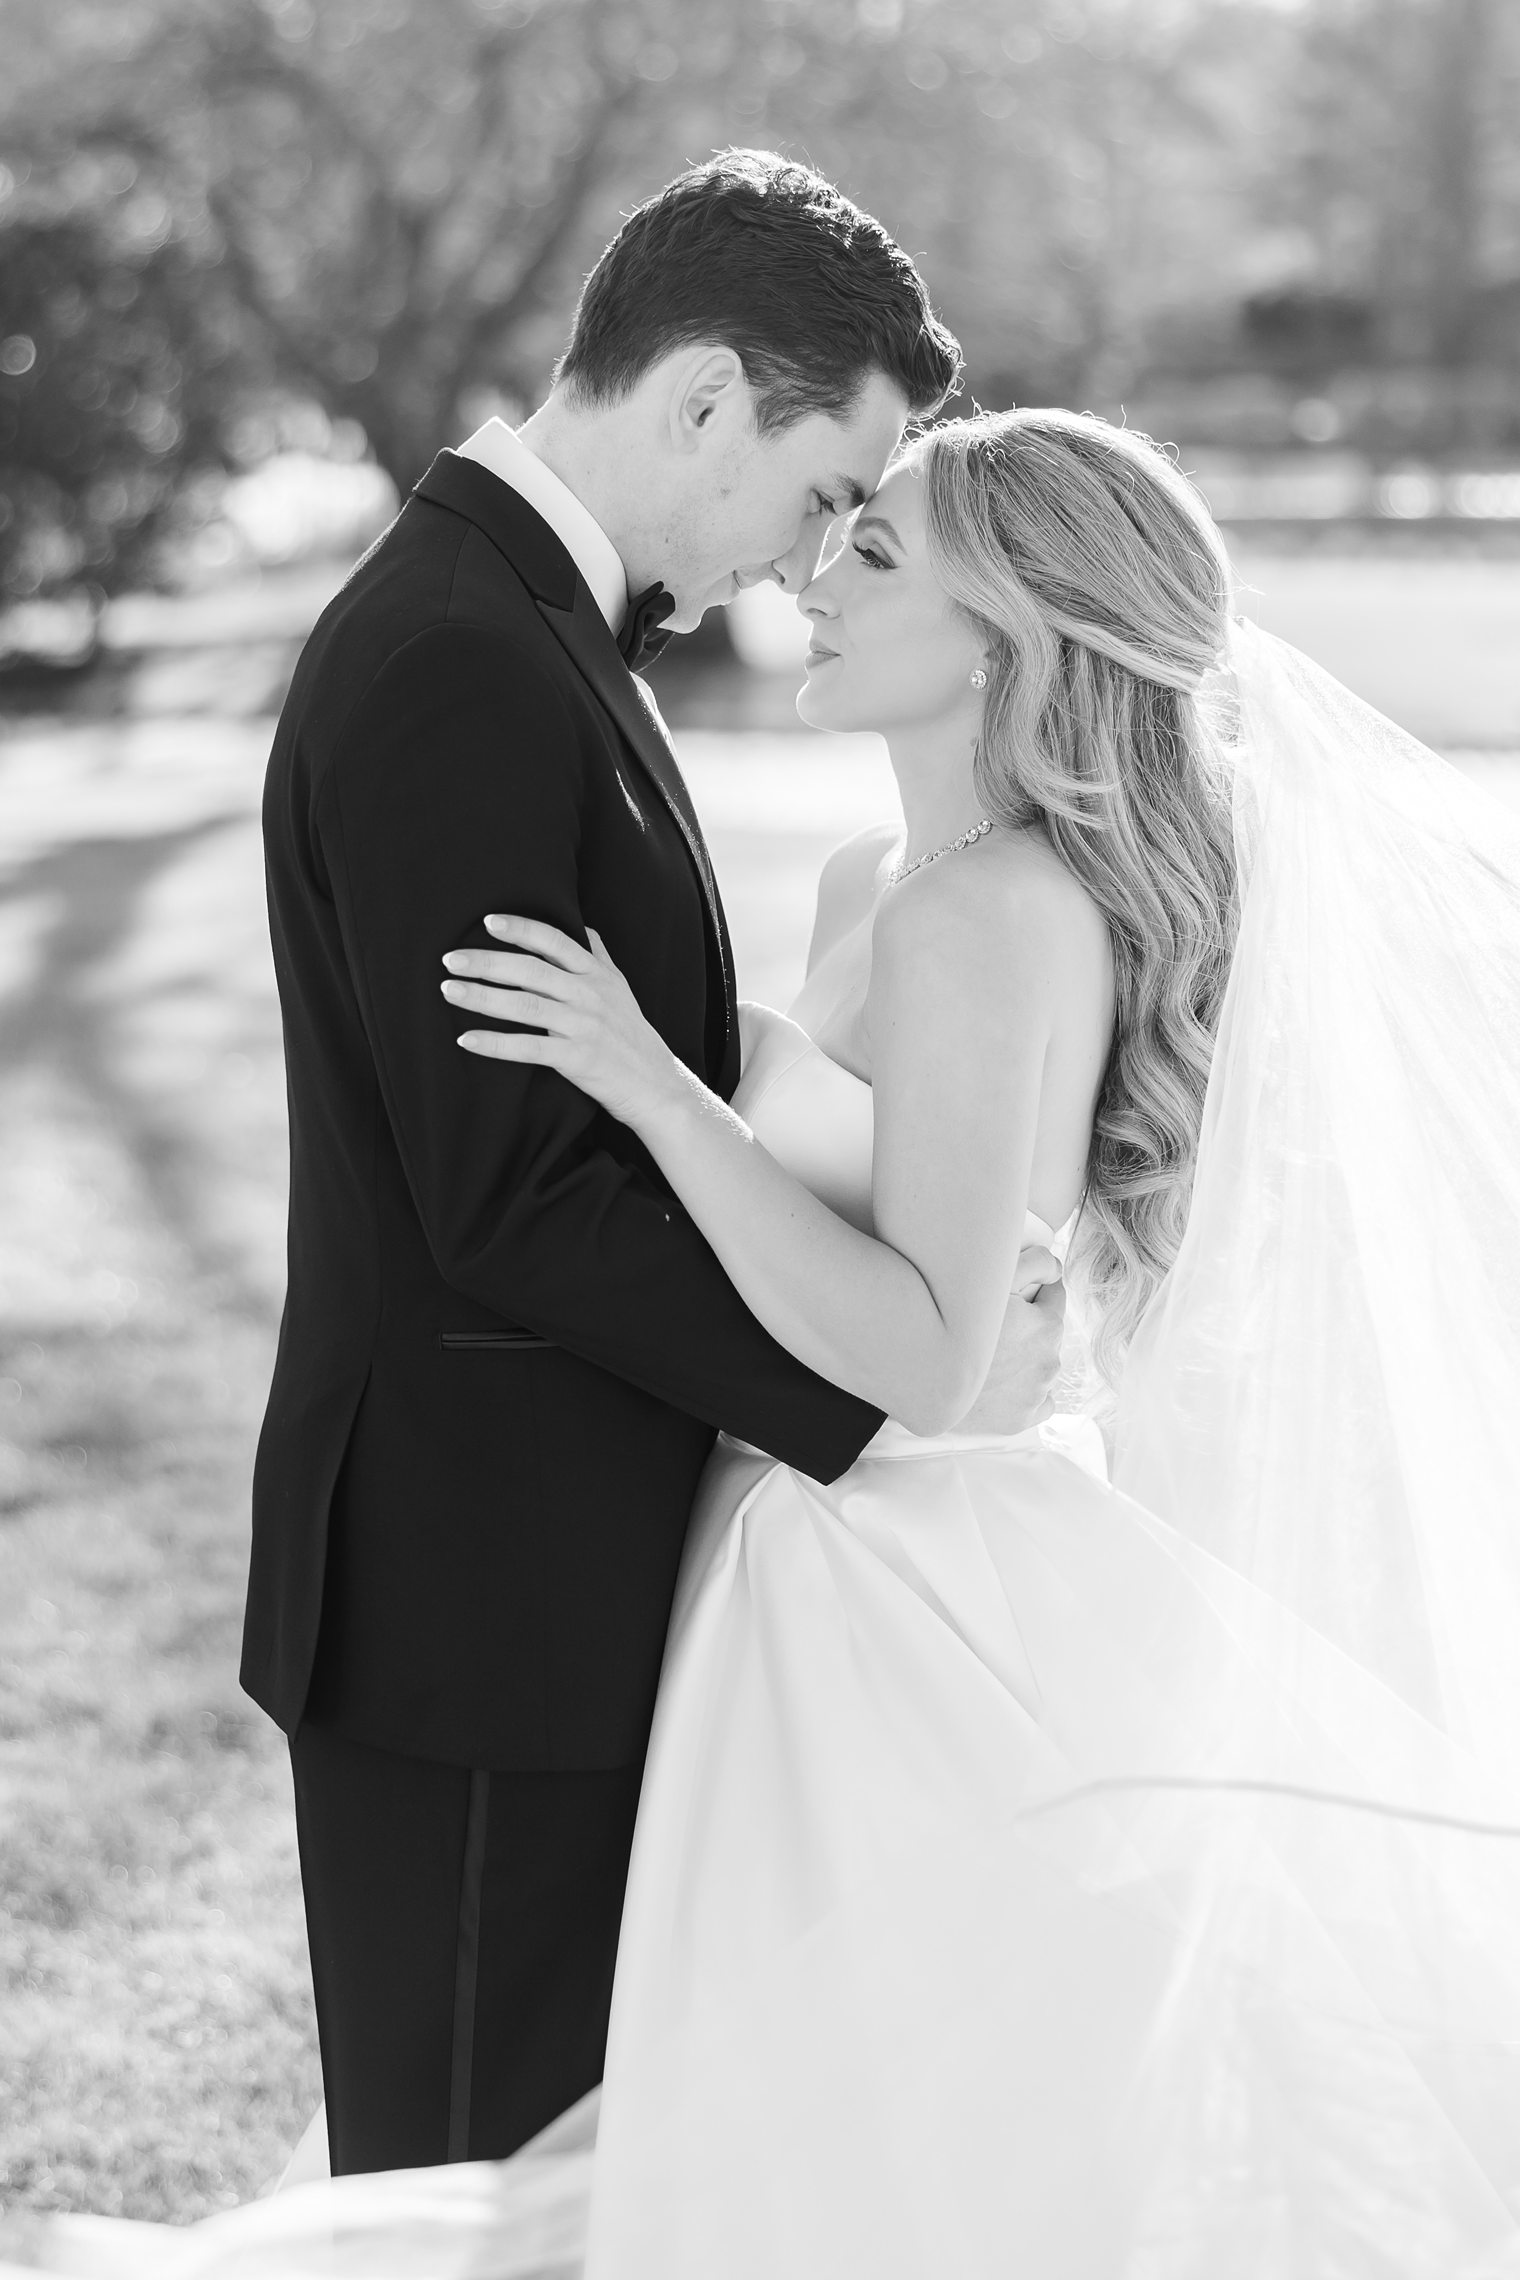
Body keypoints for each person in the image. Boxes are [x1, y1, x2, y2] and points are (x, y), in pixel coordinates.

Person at [22, 416, 1520, 2280]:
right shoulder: (868, 885)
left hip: (892, 1588)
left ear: (1006, 632)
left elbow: (923, 1350)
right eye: (834, 533)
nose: (815, 579)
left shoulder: (997, 918)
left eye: (873, 557)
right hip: (770, 1541)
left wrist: (661, 1091)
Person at [239, 149, 1064, 2182]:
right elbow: (507, 1189)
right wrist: (876, 1390)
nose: (808, 559)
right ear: (702, 397)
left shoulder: (533, 634)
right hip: (471, 1610)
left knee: (589, 2189)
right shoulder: (458, 655)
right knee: (467, 2202)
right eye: (813, 496)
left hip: (548, 1594)